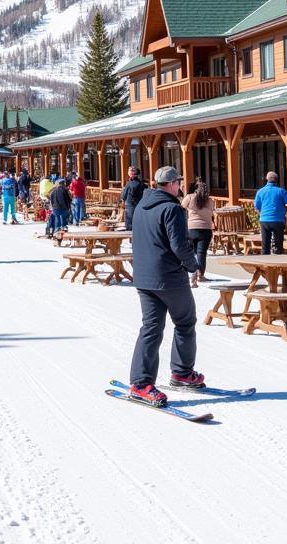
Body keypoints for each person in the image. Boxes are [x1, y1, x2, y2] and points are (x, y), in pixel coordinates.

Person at [128, 166, 203, 407]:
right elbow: (179, 245)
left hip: (144, 276)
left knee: (151, 327)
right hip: (169, 277)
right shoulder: (172, 209)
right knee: (185, 322)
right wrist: (194, 265)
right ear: (172, 184)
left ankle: (140, 383)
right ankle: (181, 372)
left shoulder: (141, 205)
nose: (179, 185)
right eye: (178, 181)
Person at [181, 179, 215, 286]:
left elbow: (181, 207)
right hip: (206, 229)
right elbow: (212, 211)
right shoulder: (210, 201)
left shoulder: (190, 197)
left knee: (191, 252)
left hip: (191, 228)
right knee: (201, 253)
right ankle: (201, 274)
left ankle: (192, 272)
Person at [253, 171, 287, 255]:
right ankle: (277, 262)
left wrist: (261, 214)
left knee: (265, 243)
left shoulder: (260, 191)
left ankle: (265, 263)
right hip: (278, 219)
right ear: (277, 180)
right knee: (278, 244)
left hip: (264, 219)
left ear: (266, 179)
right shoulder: (281, 191)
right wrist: (285, 211)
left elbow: (256, 206)